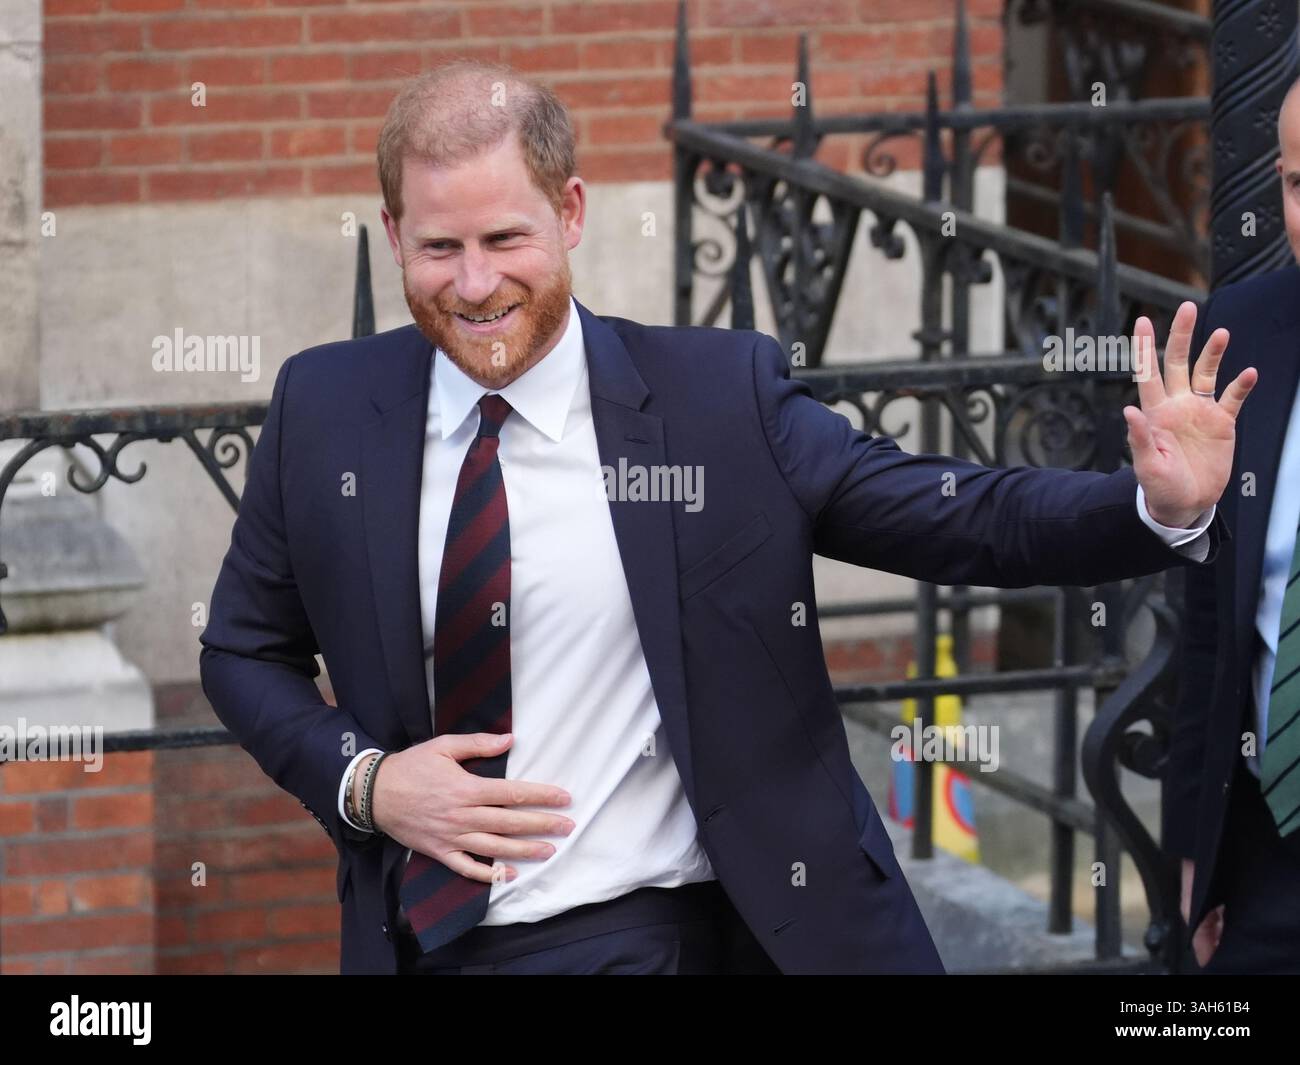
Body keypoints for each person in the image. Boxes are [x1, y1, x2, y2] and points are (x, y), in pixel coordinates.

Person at [200, 59, 1250, 975]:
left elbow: (953, 515)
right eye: (437, 248)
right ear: (391, 233)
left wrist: (1149, 505)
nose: (474, 285)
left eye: (504, 237)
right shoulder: (327, 410)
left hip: (678, 935)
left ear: (569, 213)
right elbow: (242, 650)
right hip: (434, 945)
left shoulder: (715, 402)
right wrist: (368, 784)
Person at [1165, 78, 1300, 975]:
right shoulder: (1243, 336)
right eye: (1299, 182)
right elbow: (1211, 626)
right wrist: (1194, 854)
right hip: (1267, 857)